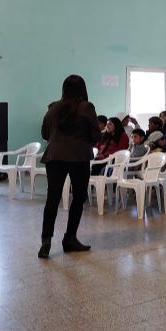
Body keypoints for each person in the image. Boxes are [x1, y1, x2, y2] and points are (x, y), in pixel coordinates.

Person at [39, 75, 101, 258]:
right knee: (78, 197)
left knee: (52, 198)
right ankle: (69, 238)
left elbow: (44, 133)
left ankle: (46, 241)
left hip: (54, 156)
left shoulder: (53, 107)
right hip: (79, 157)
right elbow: (96, 135)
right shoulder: (87, 107)